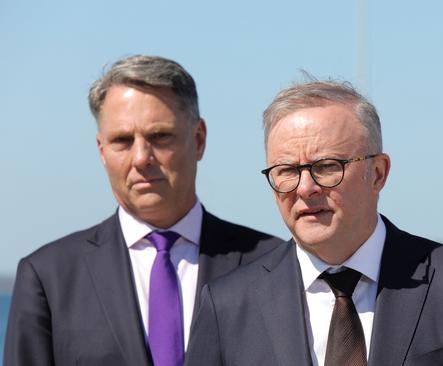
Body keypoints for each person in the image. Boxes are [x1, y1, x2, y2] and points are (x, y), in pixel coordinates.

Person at [185, 80, 443, 366]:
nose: (306, 188)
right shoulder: (228, 306)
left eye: (327, 167)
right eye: (287, 171)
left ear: (378, 173)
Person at [4, 55, 282, 366]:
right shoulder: (48, 277)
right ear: (102, 151)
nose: (141, 158)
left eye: (160, 137)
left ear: (199, 139)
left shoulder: (274, 264)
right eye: (122, 140)